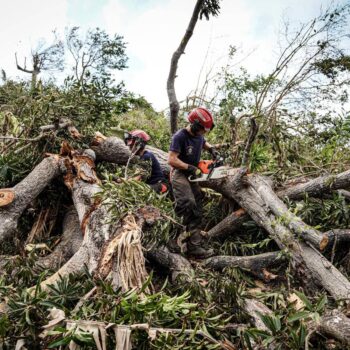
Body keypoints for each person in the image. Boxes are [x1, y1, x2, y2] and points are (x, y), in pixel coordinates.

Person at [168, 107, 219, 258]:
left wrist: (212, 150)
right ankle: (172, 238)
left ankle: (194, 246)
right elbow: (171, 159)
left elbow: (203, 141)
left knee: (197, 205)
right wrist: (189, 167)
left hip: (192, 174)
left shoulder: (199, 135)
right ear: (196, 125)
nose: (204, 132)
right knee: (186, 202)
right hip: (180, 173)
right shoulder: (180, 136)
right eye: (203, 129)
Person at [124, 129, 168, 194]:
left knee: (136, 190)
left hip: (160, 186)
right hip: (154, 185)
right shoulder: (143, 157)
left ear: (139, 144)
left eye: (131, 146)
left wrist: (121, 185)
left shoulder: (146, 157)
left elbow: (136, 179)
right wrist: (119, 180)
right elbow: (134, 176)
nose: (130, 148)